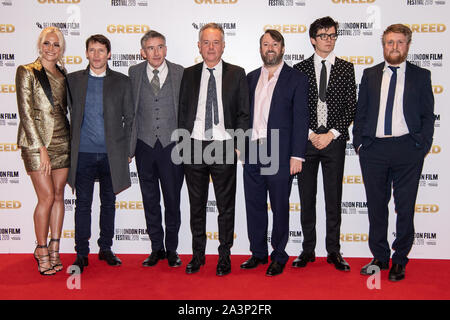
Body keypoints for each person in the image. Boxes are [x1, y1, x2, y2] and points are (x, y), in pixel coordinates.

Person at [353, 24, 434, 281]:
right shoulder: (370, 74)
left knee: (405, 207)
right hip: (374, 149)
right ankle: (379, 257)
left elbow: (427, 116)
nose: (395, 47)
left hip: (407, 150)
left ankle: (400, 258)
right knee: (377, 206)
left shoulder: (421, 76)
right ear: (383, 45)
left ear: (408, 45)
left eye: (400, 42)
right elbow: (361, 112)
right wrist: (360, 144)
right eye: (390, 42)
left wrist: (422, 145)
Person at [178, 23, 250, 276]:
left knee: (225, 207)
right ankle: (197, 256)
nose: (211, 47)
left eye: (216, 42)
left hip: (223, 147)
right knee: (196, 206)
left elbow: (243, 112)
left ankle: (224, 256)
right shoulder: (188, 74)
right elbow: (182, 111)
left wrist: (238, 146)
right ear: (199, 46)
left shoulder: (237, 73)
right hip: (194, 146)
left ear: (223, 45)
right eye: (206, 42)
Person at [241, 29, 309, 276]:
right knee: (254, 205)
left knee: (279, 206)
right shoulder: (249, 79)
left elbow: (301, 120)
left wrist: (297, 155)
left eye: (274, 44)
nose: (270, 48)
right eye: (265, 44)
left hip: (280, 151)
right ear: (260, 49)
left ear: (282, 48)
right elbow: (242, 116)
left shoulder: (297, 79)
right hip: (252, 151)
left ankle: (279, 255)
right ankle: (258, 253)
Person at [292, 17, 356, 271]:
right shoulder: (299, 69)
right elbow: (296, 108)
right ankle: (308, 250)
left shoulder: (346, 68)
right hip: (306, 142)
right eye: (323, 35)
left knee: (333, 198)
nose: (328, 39)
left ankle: (333, 251)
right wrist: (310, 134)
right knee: (306, 198)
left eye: (332, 35)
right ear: (312, 39)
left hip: (334, 142)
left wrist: (331, 134)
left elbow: (350, 105)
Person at [67, 34, 134, 273]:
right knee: (83, 205)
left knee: (109, 203)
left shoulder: (122, 82)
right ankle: (81, 253)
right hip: (83, 154)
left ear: (109, 54)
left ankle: (105, 248)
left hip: (111, 155)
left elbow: (130, 118)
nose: (96, 55)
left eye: (101, 50)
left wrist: (128, 150)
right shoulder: (72, 80)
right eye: (92, 50)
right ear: (86, 53)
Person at [16, 27, 70, 276]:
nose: (51, 48)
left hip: (63, 139)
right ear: (40, 45)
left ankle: (55, 247)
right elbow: (26, 114)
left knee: (59, 194)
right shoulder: (26, 72)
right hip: (37, 143)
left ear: (61, 49)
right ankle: (41, 248)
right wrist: (41, 148)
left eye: (56, 44)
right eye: (47, 43)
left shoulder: (63, 72)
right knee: (46, 197)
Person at [128, 30, 184, 268]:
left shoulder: (180, 72)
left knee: (172, 200)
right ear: (143, 52)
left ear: (166, 49)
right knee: (150, 199)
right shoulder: (133, 73)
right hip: (144, 146)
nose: (156, 52)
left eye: (160, 47)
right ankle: (156, 248)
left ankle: (172, 249)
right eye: (150, 48)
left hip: (173, 146)